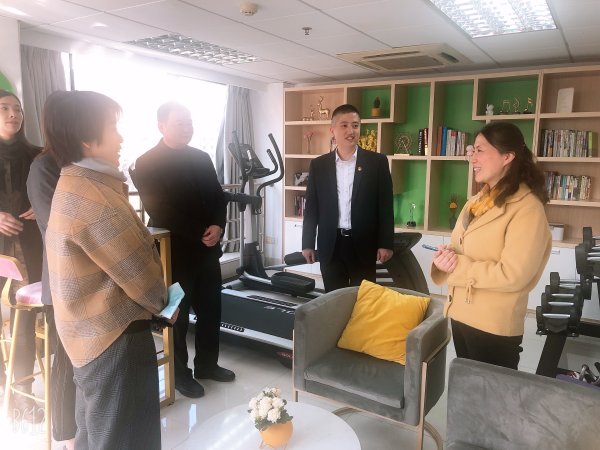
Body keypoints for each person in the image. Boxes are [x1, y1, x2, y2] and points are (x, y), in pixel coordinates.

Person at [45, 90, 175, 450]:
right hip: (115, 339)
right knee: (126, 439)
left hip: (87, 337)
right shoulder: (97, 200)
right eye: (112, 128)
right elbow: (142, 277)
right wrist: (163, 303)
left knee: (98, 434)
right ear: (87, 139)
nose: (120, 138)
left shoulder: (73, 182)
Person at [131, 101, 232, 399]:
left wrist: (218, 226)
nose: (187, 128)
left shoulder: (201, 157)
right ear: (161, 126)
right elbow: (159, 209)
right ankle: (179, 374)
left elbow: (218, 197)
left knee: (211, 310)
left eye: (189, 122)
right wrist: (201, 231)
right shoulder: (146, 162)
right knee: (177, 316)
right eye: (180, 123)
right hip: (173, 252)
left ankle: (207, 365)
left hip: (207, 250)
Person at [431, 121, 551, 370]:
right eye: (472, 151)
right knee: (468, 388)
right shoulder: (476, 201)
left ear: (507, 157)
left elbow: (514, 274)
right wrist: (444, 258)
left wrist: (457, 267)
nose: (472, 158)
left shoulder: (528, 208)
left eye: (480, 150)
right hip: (461, 314)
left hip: (493, 326)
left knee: (491, 393)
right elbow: (457, 248)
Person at [26, 91, 76, 449]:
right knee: (66, 363)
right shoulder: (44, 167)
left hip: (86, 282)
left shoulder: (80, 165)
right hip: (62, 282)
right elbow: (60, 229)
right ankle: (66, 436)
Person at [302, 103, 394, 292]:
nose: (351, 131)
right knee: (335, 300)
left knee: (364, 300)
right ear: (332, 130)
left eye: (355, 125)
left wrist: (386, 243)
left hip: (363, 244)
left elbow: (385, 206)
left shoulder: (377, 162)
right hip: (331, 245)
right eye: (344, 125)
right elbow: (311, 208)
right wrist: (307, 243)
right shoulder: (319, 165)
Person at [0, 89, 43, 422]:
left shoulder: (37, 155)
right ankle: (4, 391)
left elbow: (55, 194)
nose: (13, 114)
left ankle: (24, 395)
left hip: (30, 248)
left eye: (17, 108)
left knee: (24, 322)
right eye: (4, 108)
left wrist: (40, 207)